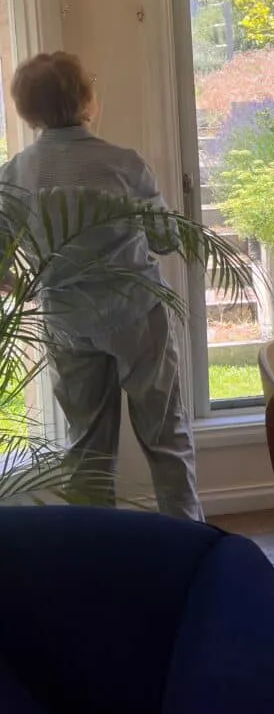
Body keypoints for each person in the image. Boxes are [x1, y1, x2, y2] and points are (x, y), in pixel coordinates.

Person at [0, 51, 204, 521]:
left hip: (66, 321)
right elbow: (166, 239)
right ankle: (188, 540)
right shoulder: (123, 164)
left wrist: (20, 282)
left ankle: (95, 547)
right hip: (137, 316)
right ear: (86, 100)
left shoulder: (14, 175)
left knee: (87, 451)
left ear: (28, 112)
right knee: (166, 436)